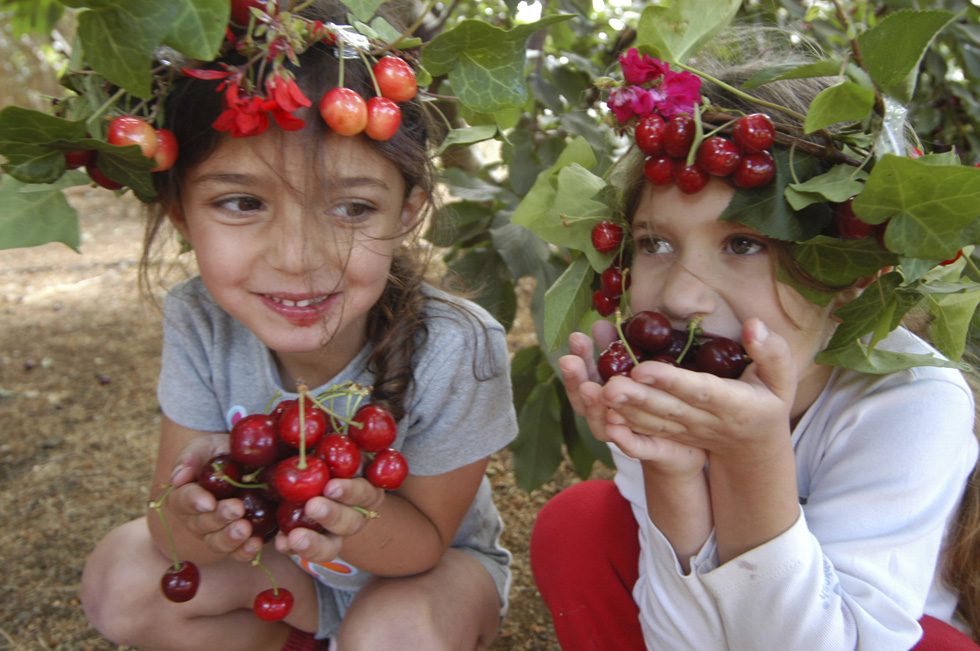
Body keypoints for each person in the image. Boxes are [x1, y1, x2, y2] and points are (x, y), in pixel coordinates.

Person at [79, 2, 518, 649]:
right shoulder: (198, 317)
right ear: (180, 212)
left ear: (406, 213)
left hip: (422, 574)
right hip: (283, 569)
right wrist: (194, 522)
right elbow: (170, 533)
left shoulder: (459, 344)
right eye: (243, 202)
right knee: (121, 582)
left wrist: (345, 518)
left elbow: (425, 543)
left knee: (394, 632)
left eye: (352, 207)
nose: (296, 257)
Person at [530, 34, 980, 651]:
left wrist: (752, 459)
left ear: (852, 271)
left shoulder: (913, 401)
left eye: (744, 244)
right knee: (580, 526)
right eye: (655, 244)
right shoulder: (657, 380)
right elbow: (678, 643)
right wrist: (672, 473)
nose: (681, 298)